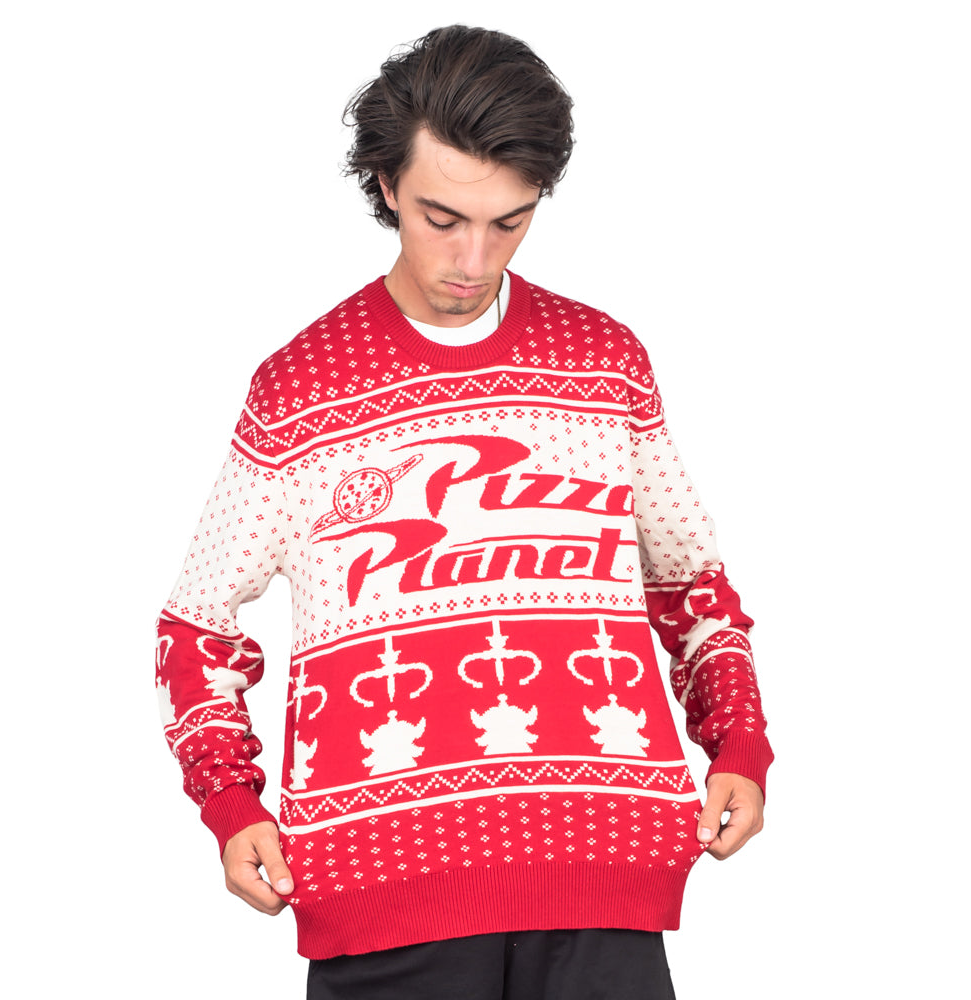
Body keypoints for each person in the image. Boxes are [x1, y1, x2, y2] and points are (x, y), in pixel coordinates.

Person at [156, 25, 773, 999]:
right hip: (381, 892)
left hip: (602, 880)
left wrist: (737, 739)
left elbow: (687, 579)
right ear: (386, 184)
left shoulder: (603, 362)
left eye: (509, 222)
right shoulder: (301, 389)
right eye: (442, 218)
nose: (473, 258)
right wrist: (230, 805)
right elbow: (196, 624)